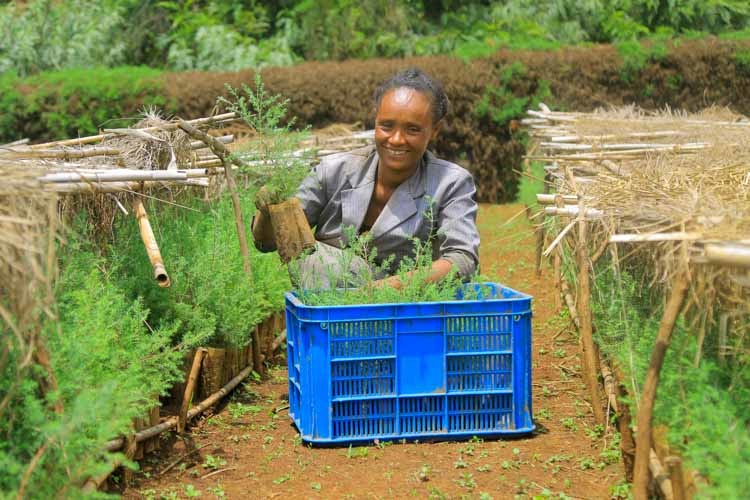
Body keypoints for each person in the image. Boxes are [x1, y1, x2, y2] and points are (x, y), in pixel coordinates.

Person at [252, 67, 479, 290]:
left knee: (317, 262)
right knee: (311, 257)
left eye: (412, 129)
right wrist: (268, 212)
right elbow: (270, 242)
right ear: (375, 120)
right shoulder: (334, 171)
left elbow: (463, 260)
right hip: (328, 305)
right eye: (387, 126)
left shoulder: (450, 183)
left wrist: (376, 292)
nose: (397, 139)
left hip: (408, 308)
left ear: (435, 130)